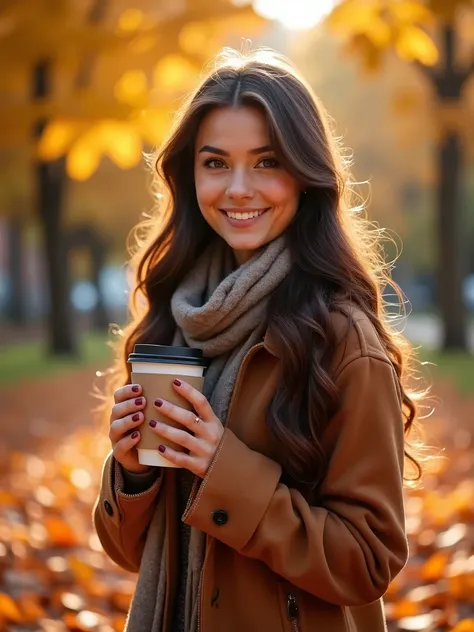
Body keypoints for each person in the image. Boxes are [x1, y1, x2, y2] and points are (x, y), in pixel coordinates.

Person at [93, 47, 423, 632]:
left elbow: (368, 562)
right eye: (215, 163)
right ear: (188, 174)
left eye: (267, 162)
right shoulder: (176, 320)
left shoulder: (345, 340)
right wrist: (133, 473)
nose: (238, 188)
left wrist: (226, 472)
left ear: (306, 173)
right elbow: (132, 554)